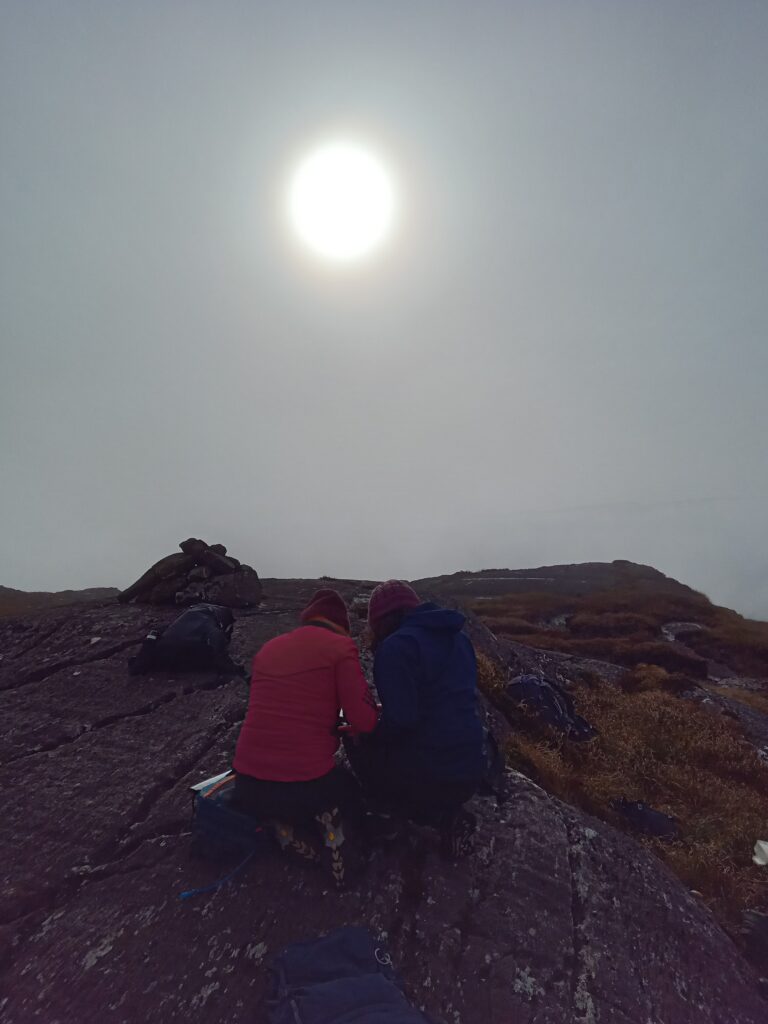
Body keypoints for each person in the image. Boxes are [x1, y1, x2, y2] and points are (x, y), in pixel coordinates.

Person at [232, 589, 378, 884]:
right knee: (348, 792)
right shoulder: (340, 647)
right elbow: (364, 720)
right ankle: (333, 837)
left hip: (247, 785)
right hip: (306, 787)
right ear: (342, 625)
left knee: (279, 792)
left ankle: (281, 825)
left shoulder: (268, 649)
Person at [346, 580, 485, 857]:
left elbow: (401, 722)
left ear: (380, 620)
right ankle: (446, 816)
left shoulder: (396, 647)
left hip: (429, 776)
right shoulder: (460, 639)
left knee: (354, 736)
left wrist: (367, 731)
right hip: (472, 770)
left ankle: (388, 811)